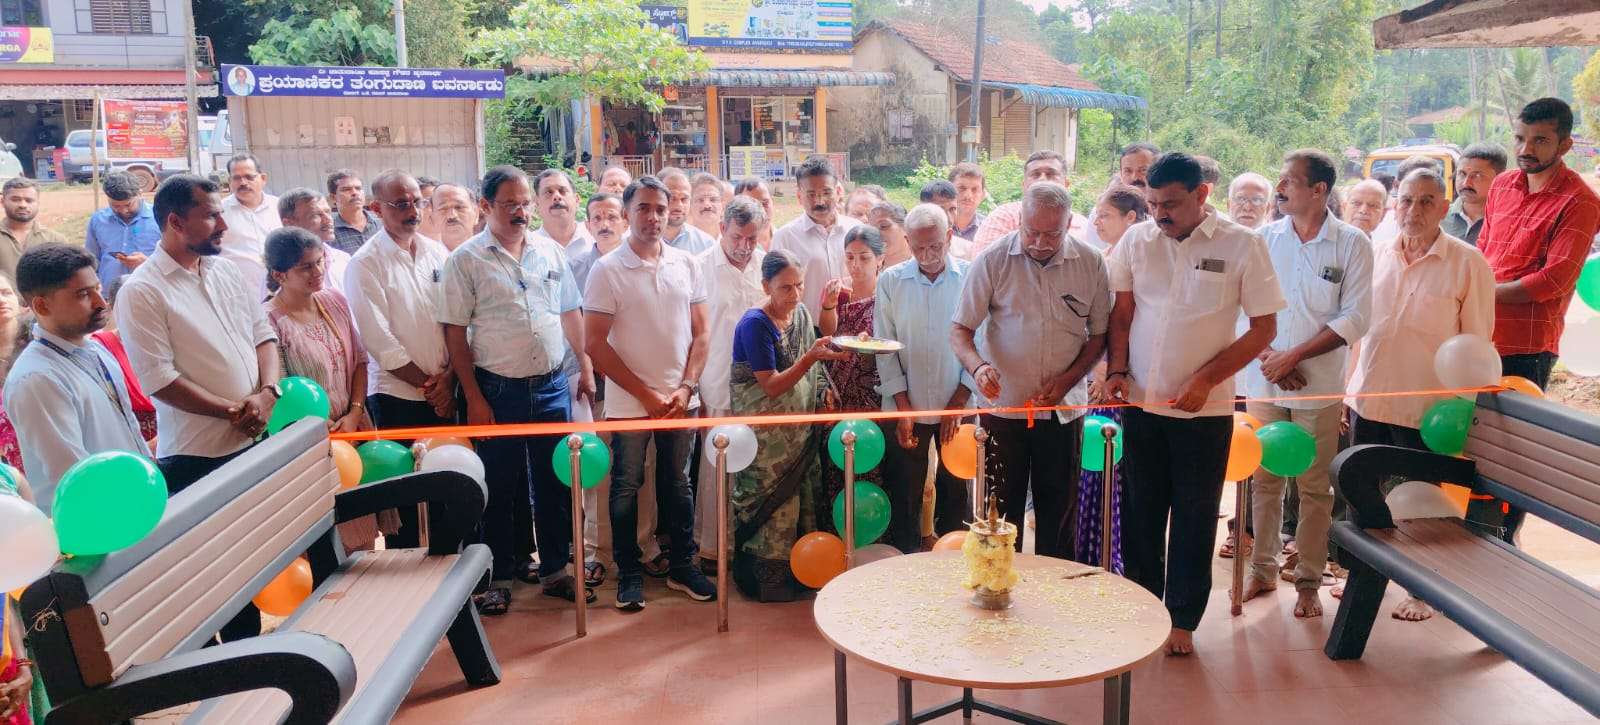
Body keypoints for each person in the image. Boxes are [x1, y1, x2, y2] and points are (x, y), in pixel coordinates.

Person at [1103, 153, 1284, 656]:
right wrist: (1116, 370)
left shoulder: (1242, 244)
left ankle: (1182, 619)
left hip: (1204, 411)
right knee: (1140, 513)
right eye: (1153, 204)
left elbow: (1264, 329)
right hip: (1141, 404)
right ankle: (1141, 609)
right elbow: (1122, 314)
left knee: (1194, 516)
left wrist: (1206, 379)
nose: (1160, 214)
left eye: (1171, 204)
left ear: (1202, 194)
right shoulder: (1137, 240)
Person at [118, 174, 280, 643]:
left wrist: (267, 394)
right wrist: (233, 411)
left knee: (250, 565)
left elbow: (264, 336)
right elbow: (159, 381)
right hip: (196, 456)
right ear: (175, 222)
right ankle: (225, 673)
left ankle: (253, 660)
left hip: (253, 438)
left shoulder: (226, 270)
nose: (223, 225)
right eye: (210, 216)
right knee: (213, 580)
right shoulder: (143, 290)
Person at [1341, 167, 1495, 621]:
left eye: (1427, 201)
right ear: (1395, 204)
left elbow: (1476, 344)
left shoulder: (1467, 263)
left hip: (1427, 411)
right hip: (1370, 398)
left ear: (1445, 208)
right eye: (1407, 200)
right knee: (1361, 493)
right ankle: (1362, 577)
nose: (1414, 210)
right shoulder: (1375, 253)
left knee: (1422, 498)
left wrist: (1461, 412)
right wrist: (1346, 393)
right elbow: (1357, 332)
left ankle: (1421, 591)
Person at [440, 165, 592, 612]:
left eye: (525, 203)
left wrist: (584, 364)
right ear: (485, 206)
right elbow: (454, 333)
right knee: (500, 487)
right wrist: (474, 397)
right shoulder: (466, 260)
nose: (521, 212)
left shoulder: (549, 251)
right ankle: (500, 576)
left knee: (555, 483)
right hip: (496, 390)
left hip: (551, 386)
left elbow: (570, 311)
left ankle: (556, 570)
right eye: (510, 204)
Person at [1239, 149, 1372, 619]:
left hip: (1318, 382)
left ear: (1318, 190)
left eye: (1290, 181)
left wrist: (1294, 356)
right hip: (1264, 377)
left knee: (1314, 485)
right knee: (1265, 476)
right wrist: (1271, 358)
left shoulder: (1351, 243)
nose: (1280, 188)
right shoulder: (1263, 239)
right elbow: (1241, 308)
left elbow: (1356, 316)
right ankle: (1262, 569)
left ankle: (1309, 580)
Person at [951, 182, 1110, 559]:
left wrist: (1068, 380)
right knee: (998, 514)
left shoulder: (1090, 262)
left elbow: (1099, 335)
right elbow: (960, 330)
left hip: (1062, 412)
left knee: (1059, 512)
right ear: (1020, 219)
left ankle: (1055, 589)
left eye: (1051, 234)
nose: (1039, 242)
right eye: (1031, 231)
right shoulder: (993, 259)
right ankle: (997, 583)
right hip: (1003, 409)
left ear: (1068, 224)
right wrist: (978, 367)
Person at [584, 175, 717, 611]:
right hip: (629, 404)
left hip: (680, 400)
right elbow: (594, 344)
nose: (654, 217)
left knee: (677, 483)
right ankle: (629, 572)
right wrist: (645, 395)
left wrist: (686, 387)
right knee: (626, 485)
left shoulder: (686, 264)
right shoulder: (607, 270)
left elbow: (702, 333)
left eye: (660, 208)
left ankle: (682, 566)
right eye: (643, 208)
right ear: (627, 214)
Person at [1475, 97, 1600, 544]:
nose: (1526, 149)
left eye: (1540, 141)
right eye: (1521, 138)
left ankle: (1502, 545)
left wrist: (1483, 295)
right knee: (1470, 446)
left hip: (1526, 347)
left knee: (1512, 455)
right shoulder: (1504, 184)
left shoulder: (1580, 201)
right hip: (1476, 338)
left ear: (1565, 145)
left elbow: (1554, 280)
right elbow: (1483, 252)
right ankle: (1467, 542)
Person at [262, 227, 396, 554]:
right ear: (279, 274)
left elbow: (360, 361)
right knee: (328, 542)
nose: (318, 271)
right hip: (308, 441)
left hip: (353, 426)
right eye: (305, 267)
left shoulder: (333, 300)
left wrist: (354, 412)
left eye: (320, 261)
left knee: (365, 532)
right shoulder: (269, 320)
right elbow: (282, 391)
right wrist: (321, 429)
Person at [730, 249, 846, 600]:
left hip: (800, 432)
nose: (795, 295)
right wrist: (810, 358)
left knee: (803, 497)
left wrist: (823, 389)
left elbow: (815, 366)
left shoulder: (801, 313)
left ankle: (803, 573)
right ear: (766, 286)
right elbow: (770, 386)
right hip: (767, 442)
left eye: (799, 285)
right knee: (774, 505)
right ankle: (766, 581)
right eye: (785, 288)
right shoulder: (755, 324)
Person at [346, 170, 452, 549]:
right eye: (401, 204)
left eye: (417, 202)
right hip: (398, 397)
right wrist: (432, 388)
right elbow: (379, 340)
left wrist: (449, 381)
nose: (413, 211)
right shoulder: (365, 263)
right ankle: (409, 577)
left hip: (445, 392)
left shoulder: (437, 252)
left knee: (446, 489)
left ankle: (450, 571)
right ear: (376, 209)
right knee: (406, 497)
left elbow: (456, 320)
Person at [4, 244, 150, 509]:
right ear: (42, 306)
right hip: (102, 518)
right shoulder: (37, 379)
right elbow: (77, 477)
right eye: (83, 294)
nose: (101, 302)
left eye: (97, 288)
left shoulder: (95, 350)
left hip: (138, 502)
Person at [877, 204, 972, 551]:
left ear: (949, 236)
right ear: (907, 241)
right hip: (907, 404)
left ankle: (955, 565)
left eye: (935, 246)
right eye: (919, 248)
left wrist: (959, 400)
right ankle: (906, 564)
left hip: (958, 403)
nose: (928, 255)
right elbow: (884, 346)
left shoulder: (971, 277)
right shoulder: (891, 281)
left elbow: (983, 341)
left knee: (957, 492)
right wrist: (903, 407)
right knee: (905, 492)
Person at [692, 197, 768, 569]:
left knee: (753, 466)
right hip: (716, 381)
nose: (745, 246)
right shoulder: (699, 267)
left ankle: (749, 546)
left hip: (759, 385)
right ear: (722, 229)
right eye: (738, 236)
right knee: (716, 467)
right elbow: (692, 332)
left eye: (752, 238)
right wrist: (696, 386)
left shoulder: (765, 264)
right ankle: (713, 548)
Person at [1076, 186, 1149, 570]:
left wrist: (1109, 370)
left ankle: (1113, 559)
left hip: (1123, 384)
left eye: (1105, 215)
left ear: (1131, 218)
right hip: (1096, 382)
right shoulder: (1100, 259)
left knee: (1117, 476)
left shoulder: (1142, 264)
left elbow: (1127, 325)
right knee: (1093, 473)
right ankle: (1090, 555)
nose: (1097, 221)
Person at [818, 225, 885, 528]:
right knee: (837, 460)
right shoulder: (839, 291)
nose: (855, 265)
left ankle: (870, 531)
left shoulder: (887, 293)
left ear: (879, 259)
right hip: (838, 389)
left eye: (864, 258)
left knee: (867, 460)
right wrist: (829, 304)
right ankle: (836, 532)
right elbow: (828, 332)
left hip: (871, 392)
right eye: (850, 257)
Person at [773, 156, 863, 317]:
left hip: (855, 324)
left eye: (826, 193)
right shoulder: (785, 237)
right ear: (799, 197)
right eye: (811, 194)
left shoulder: (856, 230)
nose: (820, 201)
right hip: (808, 328)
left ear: (838, 192)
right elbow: (776, 291)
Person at [971, 150, 1092, 258]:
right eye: (1035, 174)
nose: (1042, 179)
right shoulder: (1002, 217)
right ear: (1023, 185)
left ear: (1066, 184)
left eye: (1050, 174)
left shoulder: (1083, 225)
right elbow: (984, 264)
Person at [93, 276, 158, 443]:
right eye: (132, 307)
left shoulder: (171, 342)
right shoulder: (99, 349)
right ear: (111, 308)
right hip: (130, 446)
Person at [218, 154, 281, 301]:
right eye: (236, 178)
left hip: (281, 295)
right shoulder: (218, 212)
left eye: (249, 177)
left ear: (263, 178)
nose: (243, 182)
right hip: (236, 297)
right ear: (230, 181)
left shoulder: (279, 207)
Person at [80, 173, 155, 291]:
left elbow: (175, 261)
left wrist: (148, 263)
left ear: (140, 194)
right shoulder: (98, 220)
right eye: (115, 206)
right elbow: (91, 260)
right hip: (108, 294)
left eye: (128, 205)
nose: (123, 210)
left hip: (149, 293)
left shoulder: (159, 218)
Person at [276, 187, 352, 297]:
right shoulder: (280, 272)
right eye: (316, 215)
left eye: (328, 212)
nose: (328, 219)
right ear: (289, 224)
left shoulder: (343, 259)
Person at [1, 178, 66, 282]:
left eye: (29, 200)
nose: (23, 205)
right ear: (2, 201)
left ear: (38, 203)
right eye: (15, 199)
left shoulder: (55, 240)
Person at [1443, 144, 1507, 248]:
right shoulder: (1439, 217)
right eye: (1462, 174)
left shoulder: (1508, 223)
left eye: (1477, 175)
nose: (1466, 183)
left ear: (1500, 179)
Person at [327, 169, 380, 255]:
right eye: (346, 189)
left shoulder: (382, 223)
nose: (355, 193)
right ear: (333, 197)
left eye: (358, 188)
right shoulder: (329, 232)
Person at [431, 182, 480, 251]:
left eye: (459, 207)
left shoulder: (491, 252)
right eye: (443, 208)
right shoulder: (424, 255)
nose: (452, 215)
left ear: (476, 214)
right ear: (432, 217)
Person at [865, 201, 914, 268]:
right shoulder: (864, 268)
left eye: (883, 226)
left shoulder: (924, 266)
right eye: (871, 229)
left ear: (905, 227)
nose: (875, 233)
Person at [948, 162, 988, 242]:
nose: (968, 196)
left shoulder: (989, 228)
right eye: (962, 188)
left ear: (983, 195)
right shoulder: (935, 227)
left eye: (975, 189)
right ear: (948, 191)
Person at [735, 176, 776, 250]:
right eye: (752, 205)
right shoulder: (731, 246)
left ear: (773, 202)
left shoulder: (786, 237)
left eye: (765, 203)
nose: (761, 211)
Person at [689, 172, 726, 239]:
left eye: (713, 200)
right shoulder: (679, 243)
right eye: (700, 200)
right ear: (690, 205)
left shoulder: (733, 241)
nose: (707, 205)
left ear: (723, 206)